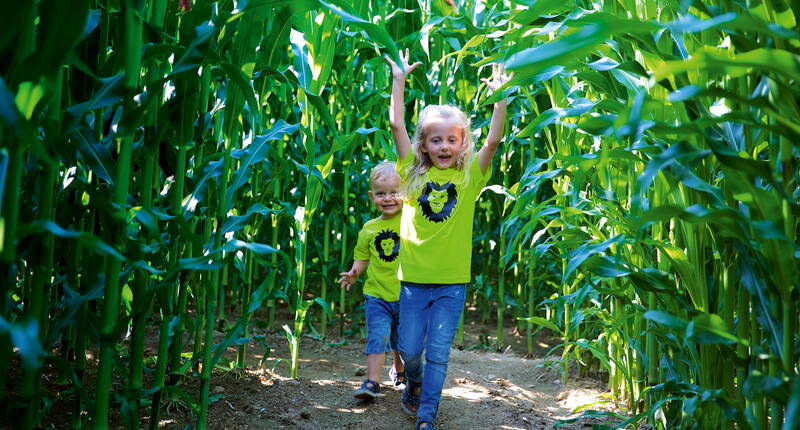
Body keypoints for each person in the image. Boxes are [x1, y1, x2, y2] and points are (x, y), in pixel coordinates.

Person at [385, 49, 512, 430]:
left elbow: (492, 142)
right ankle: (413, 381)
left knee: (438, 352)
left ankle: (427, 417)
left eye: (451, 140)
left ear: (461, 144)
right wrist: (399, 82)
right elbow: (397, 128)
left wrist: (500, 98)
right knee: (409, 349)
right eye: (436, 140)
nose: (444, 146)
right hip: (413, 280)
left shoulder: (469, 178)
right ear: (424, 145)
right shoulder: (410, 174)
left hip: (452, 282)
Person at [338, 161, 407, 400]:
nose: (388, 198)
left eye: (395, 192)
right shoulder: (369, 228)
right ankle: (372, 383)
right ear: (371, 196)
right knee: (378, 335)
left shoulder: (412, 222)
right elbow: (362, 257)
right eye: (381, 194)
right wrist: (354, 273)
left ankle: (399, 372)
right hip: (376, 295)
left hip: (406, 296)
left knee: (401, 341)